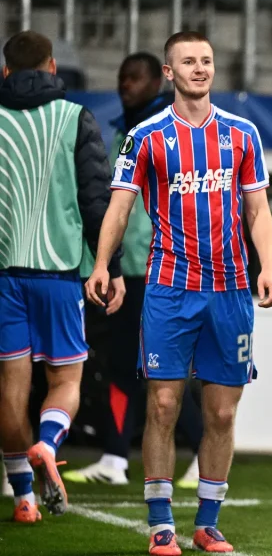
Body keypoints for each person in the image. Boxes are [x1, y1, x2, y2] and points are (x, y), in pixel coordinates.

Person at [85, 31, 272, 556]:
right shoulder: (145, 136)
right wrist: (103, 263)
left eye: (207, 60)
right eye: (188, 62)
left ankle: (209, 522)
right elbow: (120, 206)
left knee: (220, 413)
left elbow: (258, 208)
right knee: (165, 403)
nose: (200, 69)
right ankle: (160, 522)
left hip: (233, 290)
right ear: (168, 73)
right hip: (170, 288)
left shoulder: (242, 133)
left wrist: (268, 266)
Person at [0, 30, 126, 523]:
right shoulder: (76, 118)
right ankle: (49, 443)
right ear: (53, 68)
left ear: (6, 71)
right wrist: (109, 269)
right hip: (58, 274)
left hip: (5, 275)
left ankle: (24, 499)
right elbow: (98, 204)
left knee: (11, 389)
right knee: (65, 378)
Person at [65, 52, 205, 489]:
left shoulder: (169, 130)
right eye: (122, 77)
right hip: (131, 267)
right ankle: (113, 457)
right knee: (124, 364)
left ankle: (204, 451)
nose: (126, 84)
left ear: (156, 80)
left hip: (159, 268)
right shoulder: (125, 134)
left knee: (158, 368)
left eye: (135, 77)